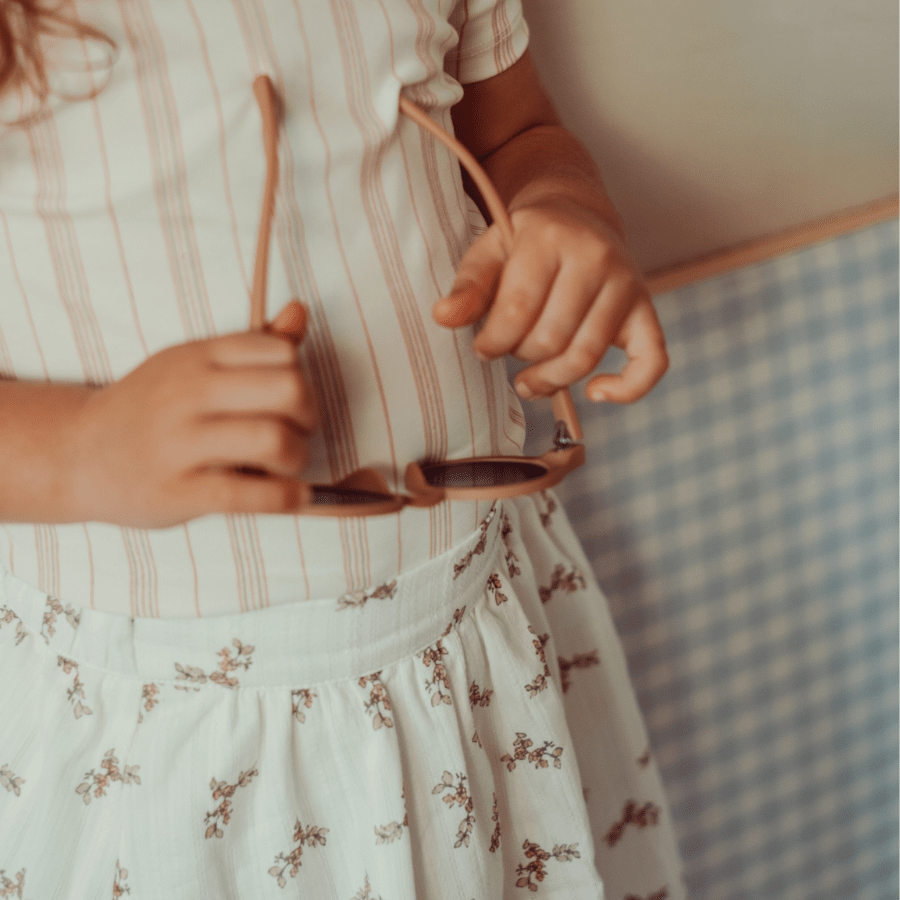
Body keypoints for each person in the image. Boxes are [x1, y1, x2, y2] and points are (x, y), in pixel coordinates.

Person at [0, 1, 684, 898]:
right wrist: (83, 451)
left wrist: (562, 208)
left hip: (470, 653)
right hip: (161, 735)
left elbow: (517, 131)